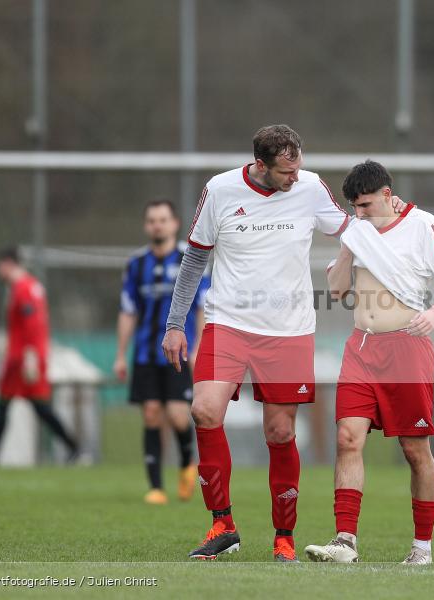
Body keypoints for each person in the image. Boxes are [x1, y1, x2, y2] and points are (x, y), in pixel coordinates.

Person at [163, 125, 407, 562]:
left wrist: (398, 219)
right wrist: (175, 323)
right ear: (260, 165)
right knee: (203, 410)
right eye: (286, 171)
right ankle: (223, 525)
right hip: (228, 322)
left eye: (298, 167)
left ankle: (284, 537)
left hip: (289, 330)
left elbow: (353, 229)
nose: (295, 177)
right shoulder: (219, 190)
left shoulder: (311, 186)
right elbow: (196, 255)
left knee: (279, 432)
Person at [304, 160, 434, 565]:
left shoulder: (425, 225)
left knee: (414, 450)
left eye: (365, 205)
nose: (359, 214)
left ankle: (422, 548)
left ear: (387, 196)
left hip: (406, 348)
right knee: (347, 438)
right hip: (360, 347)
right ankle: (345, 542)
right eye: (354, 208)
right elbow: (338, 291)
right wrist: (348, 244)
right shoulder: (357, 232)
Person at [114, 199, 208, 505]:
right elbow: (128, 312)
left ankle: (185, 465)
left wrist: (198, 349)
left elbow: (202, 308)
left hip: (180, 354)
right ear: (146, 225)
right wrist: (120, 353)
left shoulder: (188, 259)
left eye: (163, 219)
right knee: (152, 413)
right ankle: (155, 487)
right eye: (152, 220)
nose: (158, 225)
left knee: (179, 417)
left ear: (174, 223)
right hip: (145, 353)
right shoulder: (136, 264)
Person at [0, 249, 80, 465]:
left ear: (8, 264)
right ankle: (73, 447)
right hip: (24, 356)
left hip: (24, 359)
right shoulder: (30, 286)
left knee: (27, 407)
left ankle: (73, 447)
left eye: (0, 266)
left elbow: (33, 325)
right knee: (18, 406)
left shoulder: (23, 288)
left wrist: (30, 357)